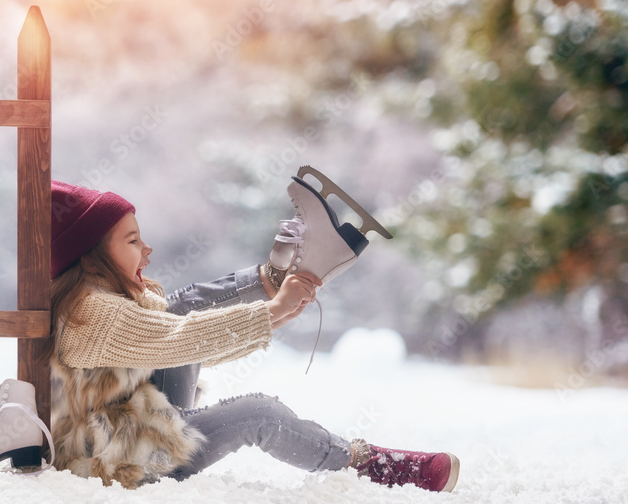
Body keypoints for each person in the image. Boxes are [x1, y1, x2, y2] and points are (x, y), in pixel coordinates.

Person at [40, 179, 460, 492]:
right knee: (258, 414)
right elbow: (178, 340)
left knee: (178, 307)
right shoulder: (93, 311)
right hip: (120, 458)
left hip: (130, 426)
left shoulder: (101, 298)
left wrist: (272, 312)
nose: (147, 249)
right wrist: (272, 313)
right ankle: (375, 466)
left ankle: (277, 273)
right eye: (132, 240)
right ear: (92, 254)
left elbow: (182, 338)